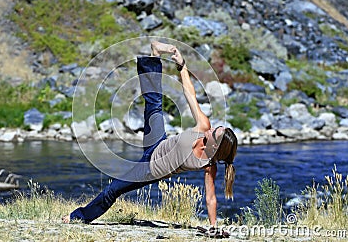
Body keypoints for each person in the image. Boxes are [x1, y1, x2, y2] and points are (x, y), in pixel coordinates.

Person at [62, 41, 238, 227]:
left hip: (150, 170)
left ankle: (78, 217)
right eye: (215, 128)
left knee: (113, 190)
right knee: (154, 104)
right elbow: (190, 95)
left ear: (216, 146)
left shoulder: (209, 165)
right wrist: (182, 65)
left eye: (214, 133)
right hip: (158, 141)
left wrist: (213, 227)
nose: (210, 129)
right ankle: (154, 55)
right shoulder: (203, 126)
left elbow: (211, 198)